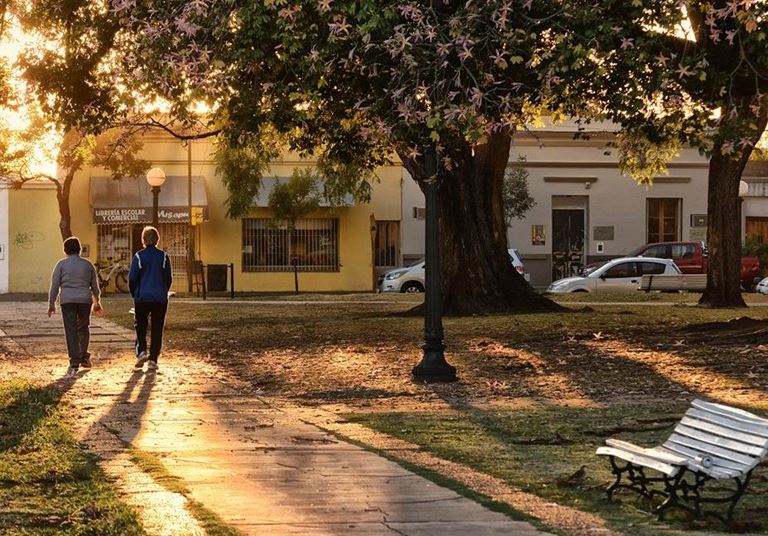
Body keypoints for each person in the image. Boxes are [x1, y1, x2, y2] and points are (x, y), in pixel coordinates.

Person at [48, 236, 102, 377]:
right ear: (79, 249)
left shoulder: (61, 264)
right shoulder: (87, 265)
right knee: (83, 328)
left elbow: (54, 286)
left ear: (65, 249)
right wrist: (97, 301)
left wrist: (51, 303)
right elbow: (95, 286)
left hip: (67, 301)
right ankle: (84, 356)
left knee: (71, 330)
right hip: (85, 300)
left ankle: (74, 361)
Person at [128, 226, 172, 372]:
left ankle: (141, 352)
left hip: (142, 297)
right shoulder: (164, 256)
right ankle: (153, 359)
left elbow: (132, 278)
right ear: (157, 239)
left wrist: (135, 293)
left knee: (140, 324)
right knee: (157, 327)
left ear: (143, 239)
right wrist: (163, 291)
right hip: (159, 298)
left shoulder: (139, 256)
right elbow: (168, 278)